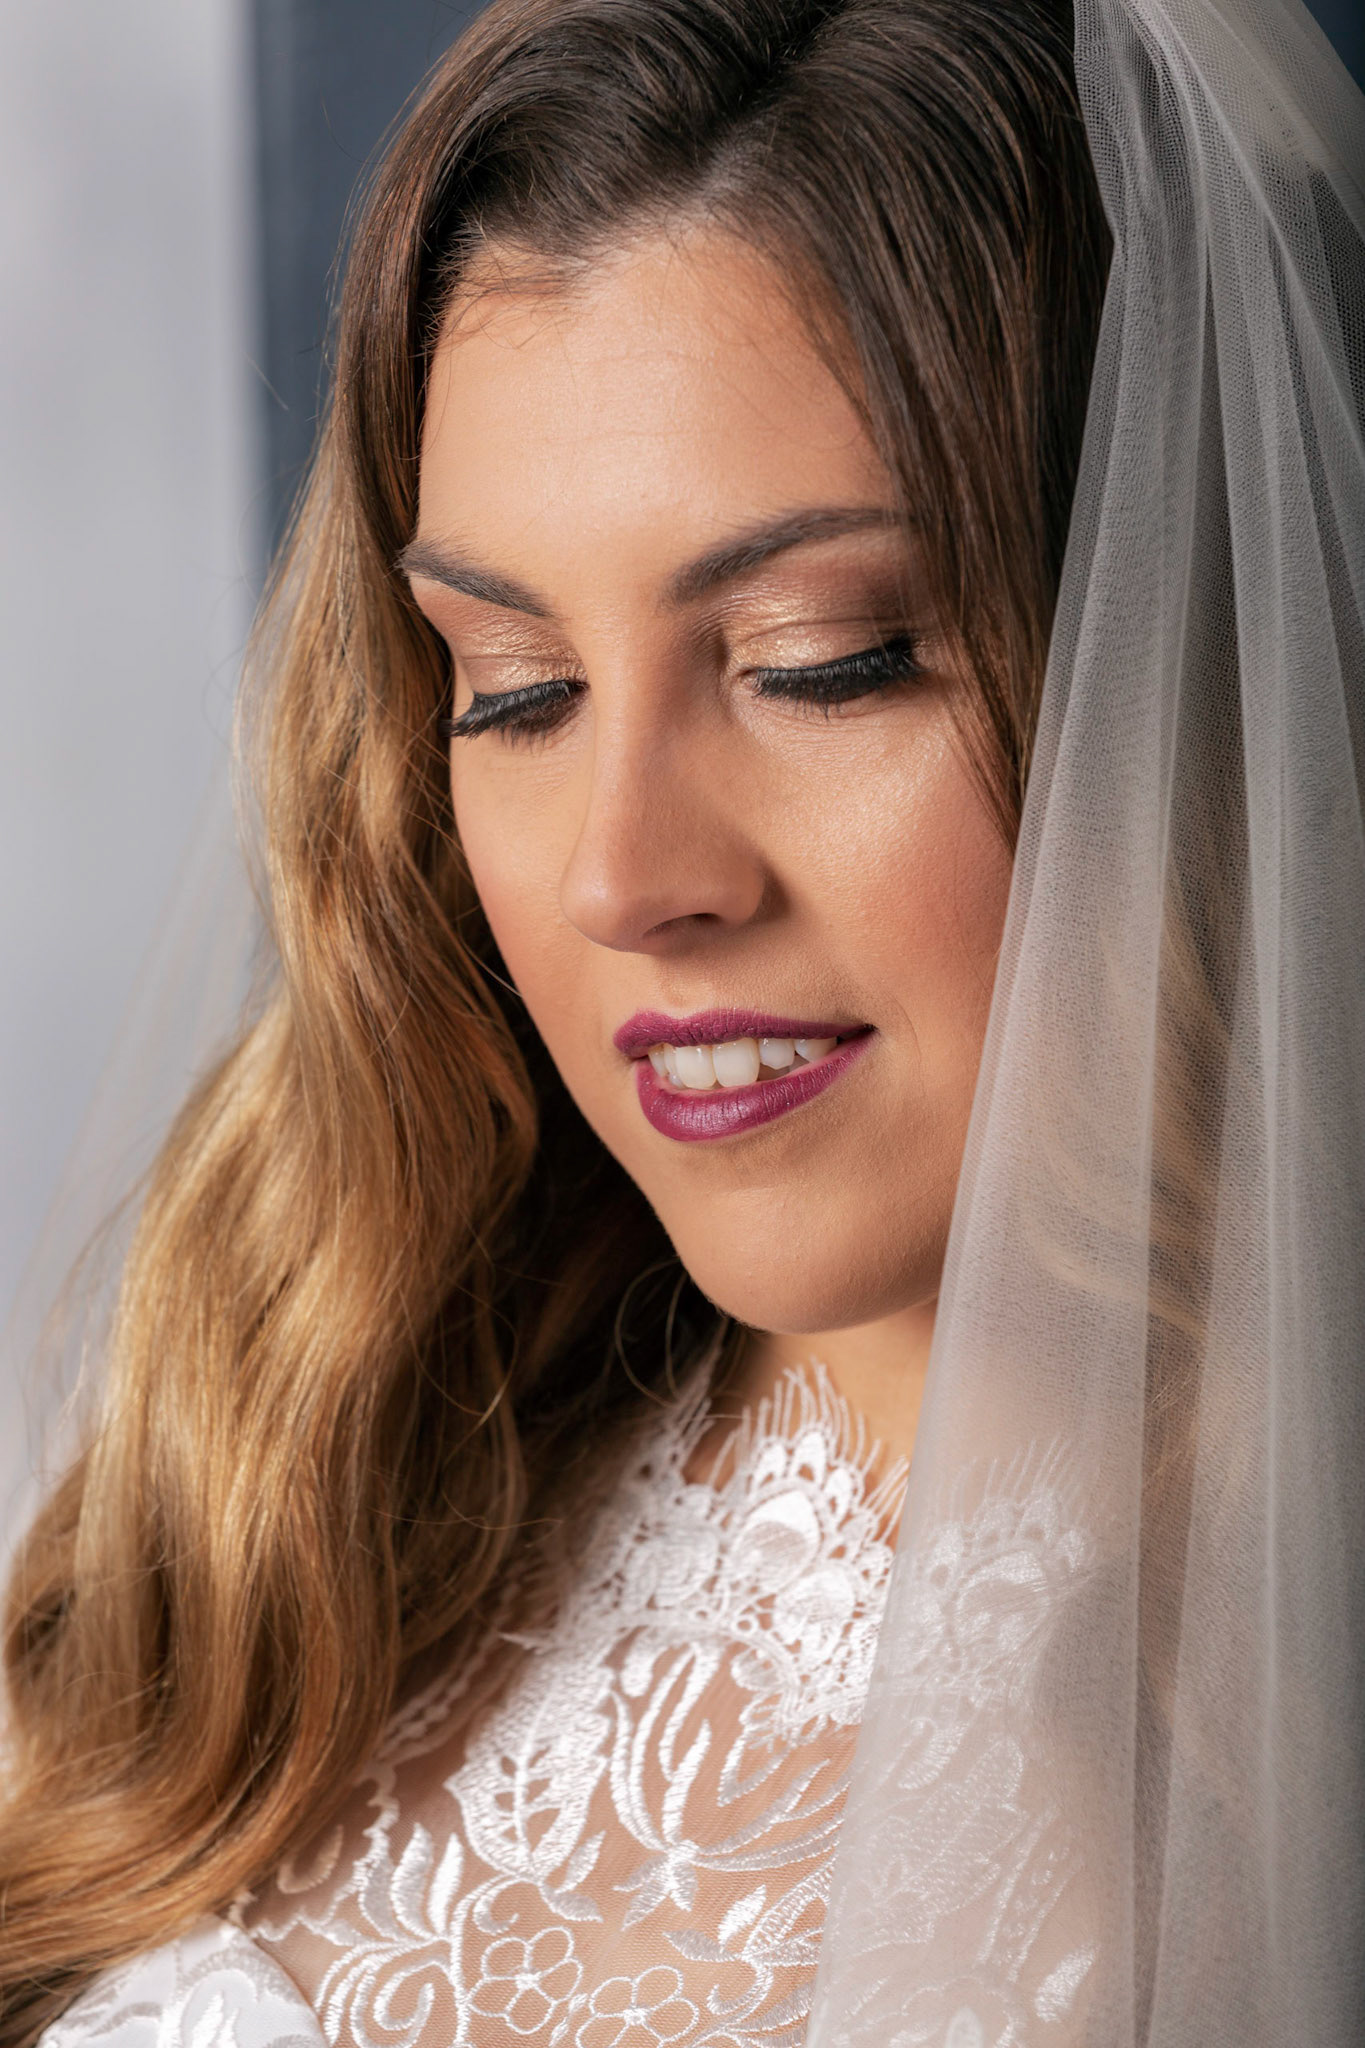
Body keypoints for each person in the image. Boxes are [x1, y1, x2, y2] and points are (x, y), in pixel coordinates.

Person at [3, 0, 1361, 2043]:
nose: (623, 874)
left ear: (1196, 651)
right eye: (515, 689)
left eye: (820, 662)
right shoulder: (293, 1506)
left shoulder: (1279, 1762)